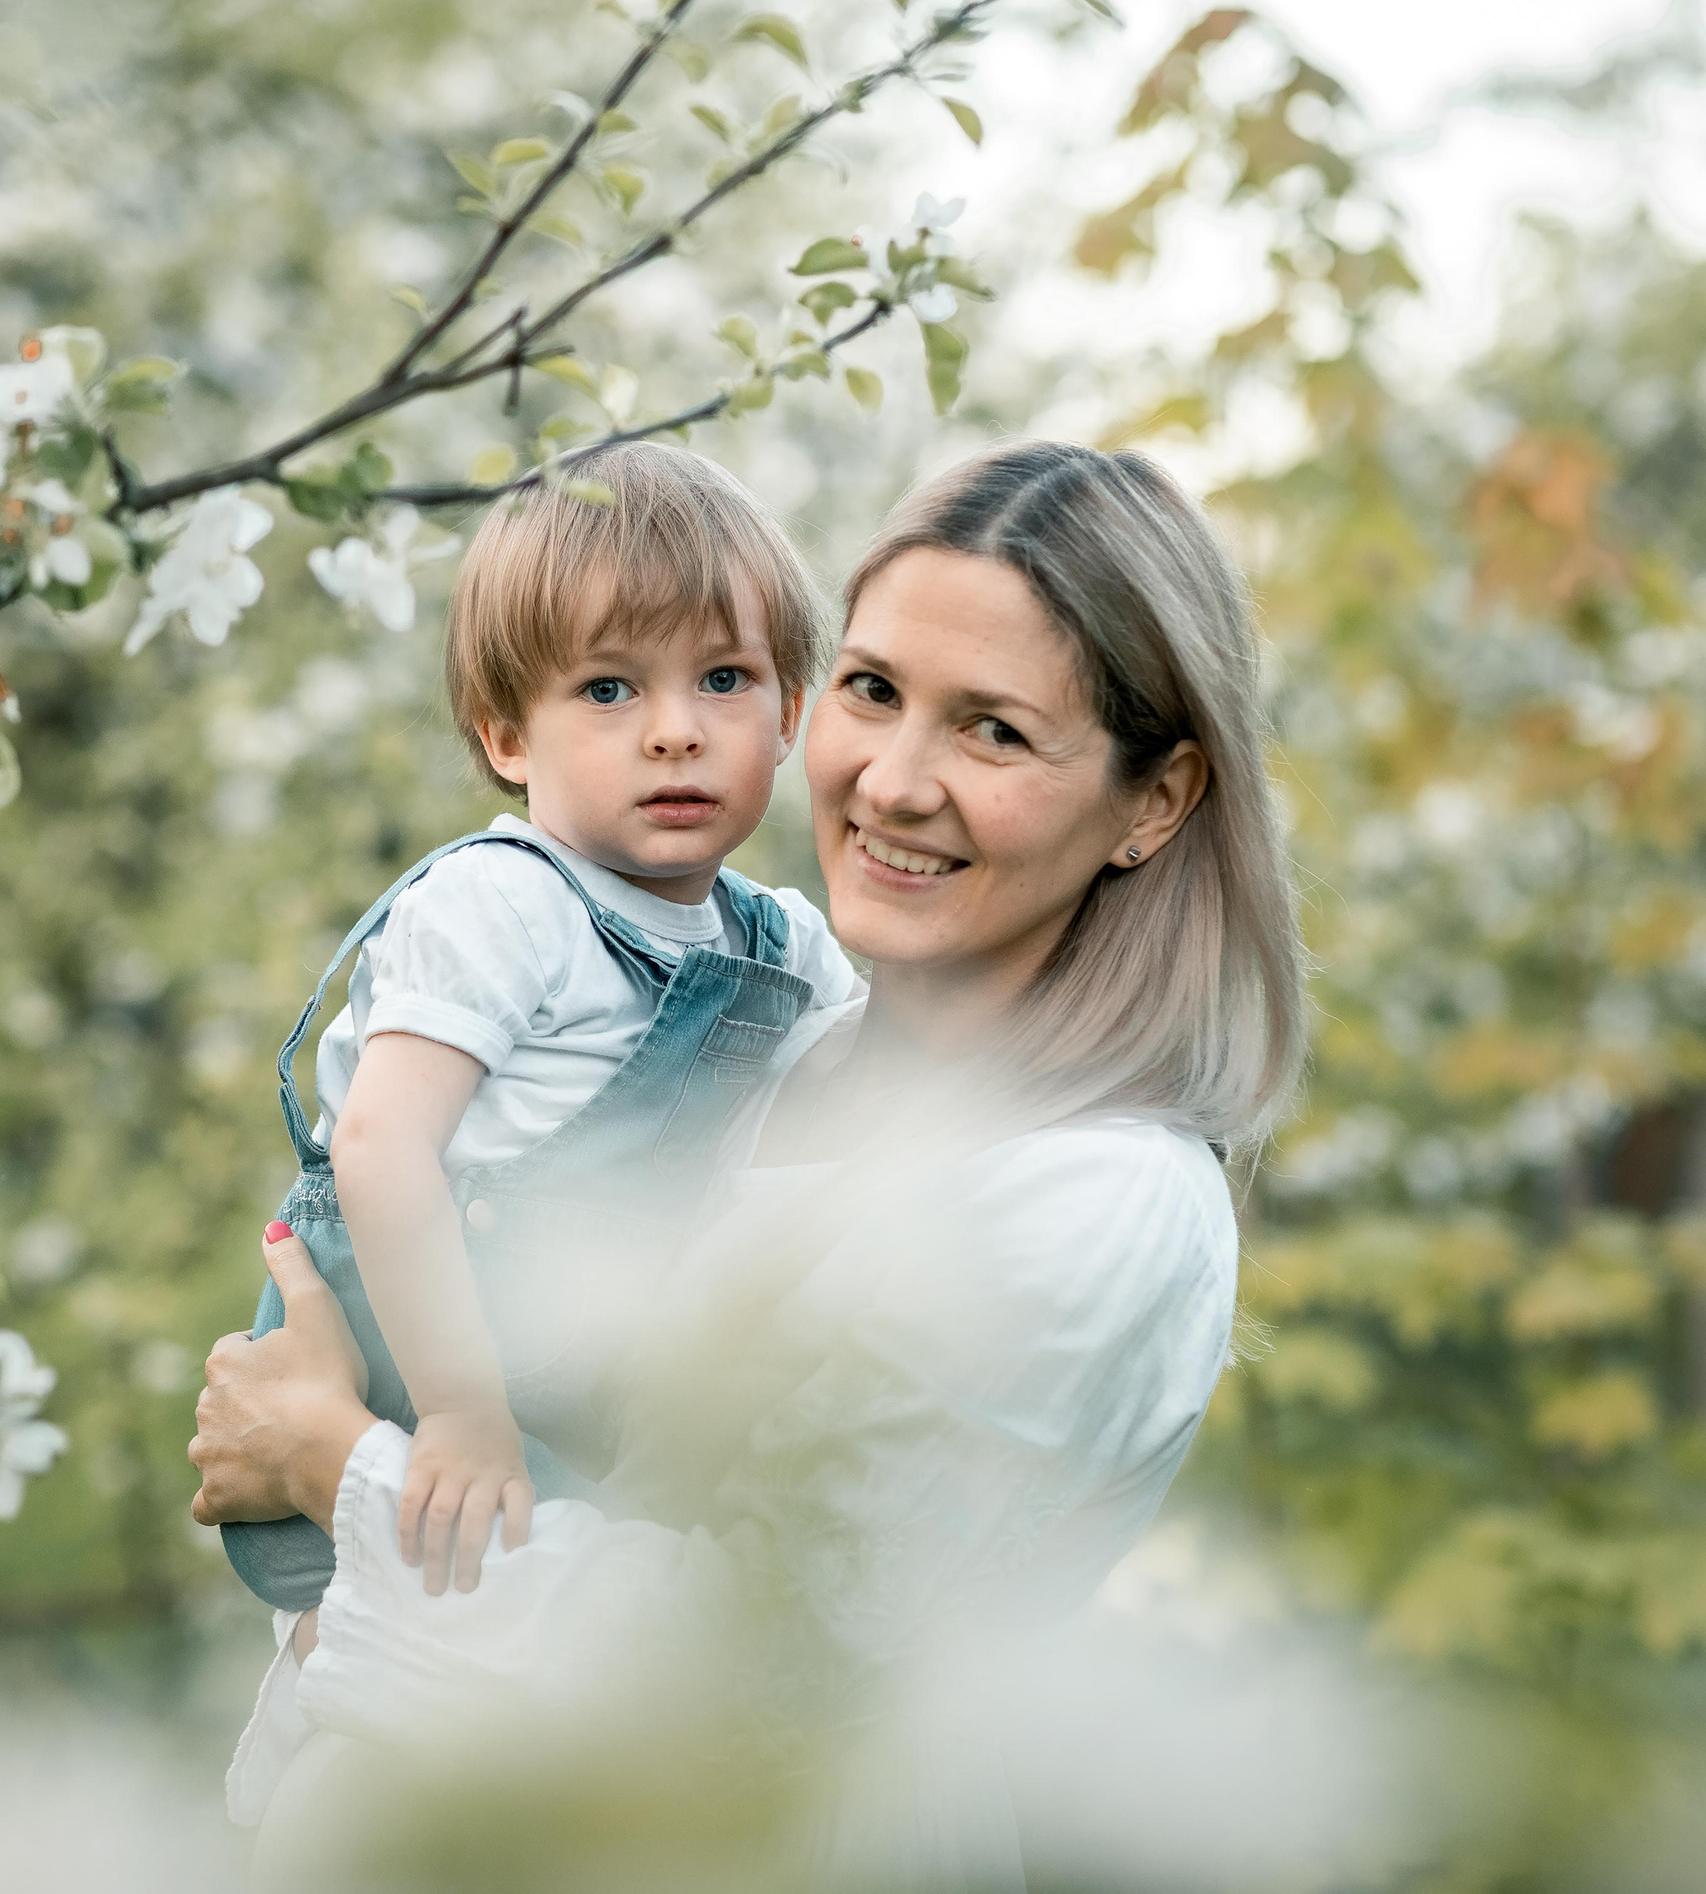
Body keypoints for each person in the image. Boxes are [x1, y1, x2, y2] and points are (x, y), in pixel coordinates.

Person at [190, 441, 1310, 1890]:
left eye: (993, 731)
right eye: (874, 690)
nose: (893, 783)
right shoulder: (781, 1046)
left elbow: (746, 1680)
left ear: (1155, 799)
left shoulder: (1100, 1199)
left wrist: (329, 1457)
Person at [220, 441, 863, 1623]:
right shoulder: (499, 903)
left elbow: (887, 1096)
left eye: (722, 678)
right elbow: (380, 1145)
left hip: (601, 1405)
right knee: (380, 1649)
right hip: (425, 1381)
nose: (674, 730)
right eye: (609, 689)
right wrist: (461, 1406)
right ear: (508, 737)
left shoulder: (783, 944)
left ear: (787, 715)